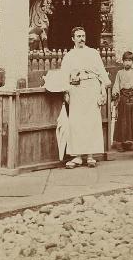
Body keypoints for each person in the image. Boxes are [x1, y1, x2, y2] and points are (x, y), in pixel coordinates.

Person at [45, 26, 110, 168]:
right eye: (78, 36)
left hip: (92, 87)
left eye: (83, 36)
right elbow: (64, 75)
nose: (81, 38)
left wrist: (103, 90)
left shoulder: (93, 53)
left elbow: (101, 73)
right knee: (76, 122)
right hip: (76, 89)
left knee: (92, 121)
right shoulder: (69, 56)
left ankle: (91, 155)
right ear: (73, 39)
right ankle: (78, 156)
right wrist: (66, 92)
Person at [111, 51, 133, 151]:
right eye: (126, 60)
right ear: (123, 61)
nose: (127, 63)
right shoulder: (120, 73)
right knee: (123, 121)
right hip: (123, 98)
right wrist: (115, 93)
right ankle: (120, 142)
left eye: (130, 60)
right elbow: (116, 85)